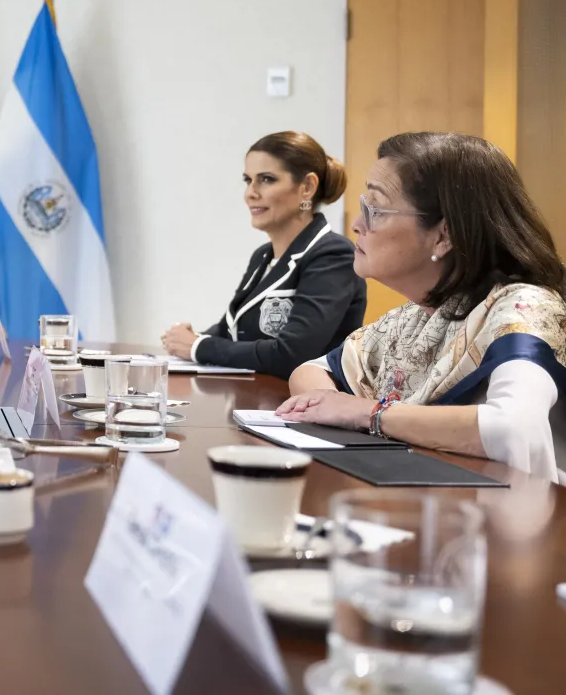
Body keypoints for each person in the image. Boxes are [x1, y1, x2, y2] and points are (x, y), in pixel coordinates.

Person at [278, 132, 566, 484]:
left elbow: (513, 428)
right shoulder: (419, 316)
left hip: (516, 521)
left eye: (375, 210)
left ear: (444, 235)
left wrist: (369, 414)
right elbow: (312, 369)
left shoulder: (524, 309)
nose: (356, 224)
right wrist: (326, 405)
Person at [161, 132, 366, 379]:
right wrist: (188, 340)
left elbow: (292, 354)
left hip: (302, 406)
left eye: (266, 179)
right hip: (255, 400)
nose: (251, 193)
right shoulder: (263, 256)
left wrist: (198, 346)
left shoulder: (333, 255)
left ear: (307, 188)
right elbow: (232, 331)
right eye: (248, 180)